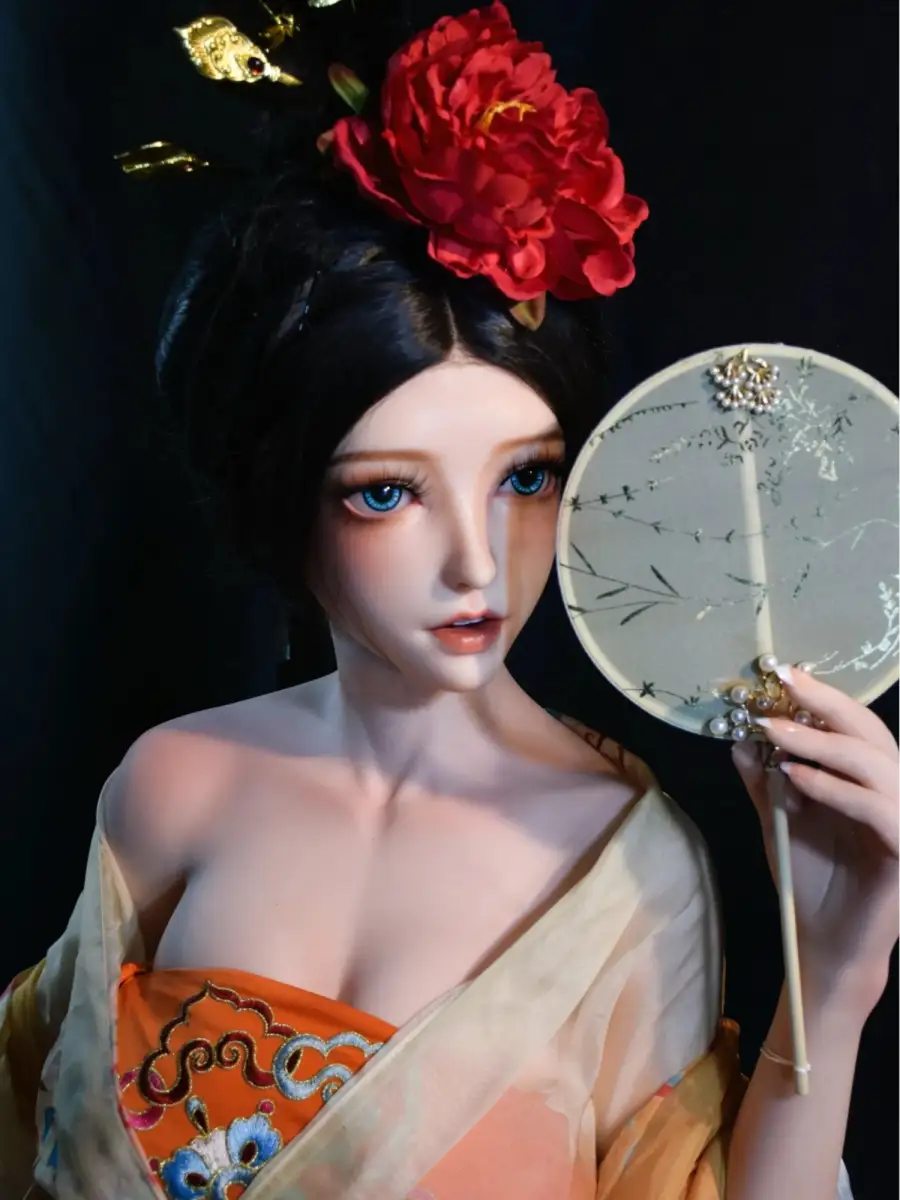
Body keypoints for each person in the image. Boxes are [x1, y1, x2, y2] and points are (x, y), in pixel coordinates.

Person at [1, 3, 896, 1197]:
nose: (478, 562)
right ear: (281, 497)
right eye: (387, 494)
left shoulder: (619, 871)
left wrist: (833, 984)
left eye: (526, 479)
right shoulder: (172, 787)